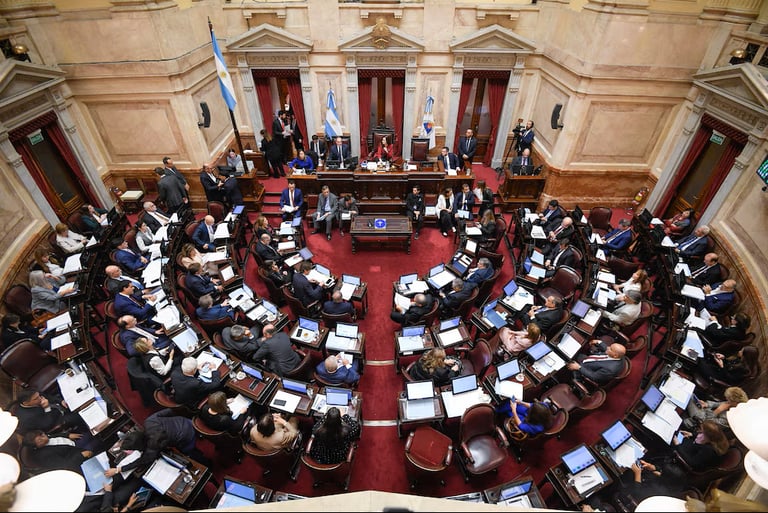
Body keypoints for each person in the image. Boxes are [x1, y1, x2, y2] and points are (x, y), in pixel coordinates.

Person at [104, 409, 198, 477]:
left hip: (189, 436)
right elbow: (169, 411)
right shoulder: (149, 422)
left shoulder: (152, 447)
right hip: (185, 421)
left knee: (186, 454)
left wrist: (118, 469)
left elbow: (141, 461)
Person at [14, 388, 84, 434]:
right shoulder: (28, 418)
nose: (40, 398)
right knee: (80, 415)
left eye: (39, 396)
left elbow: (48, 396)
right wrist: (47, 408)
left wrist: (60, 401)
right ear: (26, 403)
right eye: (36, 399)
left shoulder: (35, 395)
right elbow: (48, 424)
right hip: (57, 420)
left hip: (57, 406)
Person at [22, 430, 92, 473]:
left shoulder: (44, 438)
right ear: (36, 447)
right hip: (77, 453)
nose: (44, 437)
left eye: (42, 435)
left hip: (73, 442)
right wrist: (80, 456)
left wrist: (67, 435)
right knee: (96, 442)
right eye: (40, 440)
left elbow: (55, 436)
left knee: (92, 432)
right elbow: (65, 466)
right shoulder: (45, 457)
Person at [683, 386, 747, 431]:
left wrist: (718, 410)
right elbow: (716, 404)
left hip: (703, 420)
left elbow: (708, 423)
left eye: (728, 400)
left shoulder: (729, 418)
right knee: (691, 395)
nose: (726, 401)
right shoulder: (730, 403)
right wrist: (706, 404)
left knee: (689, 396)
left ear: (735, 402)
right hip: (705, 412)